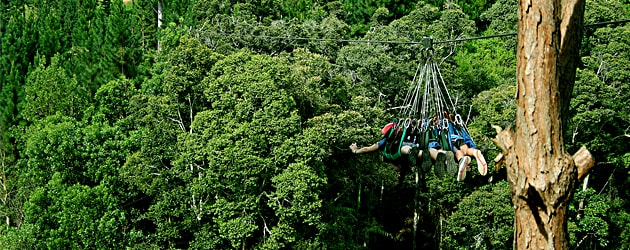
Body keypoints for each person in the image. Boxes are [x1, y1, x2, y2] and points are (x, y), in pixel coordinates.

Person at [350, 122, 456, 184]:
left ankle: (446, 159)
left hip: (407, 150)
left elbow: (367, 149)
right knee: (432, 151)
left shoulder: (386, 143)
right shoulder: (394, 155)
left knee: (409, 150)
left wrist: (355, 151)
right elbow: (398, 168)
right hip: (417, 147)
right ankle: (448, 159)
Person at [445, 114, 487, 182]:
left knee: (457, 152)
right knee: (466, 150)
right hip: (459, 138)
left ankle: (463, 159)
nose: (467, 167)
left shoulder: (448, 126)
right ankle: (474, 152)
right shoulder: (455, 126)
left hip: (451, 140)